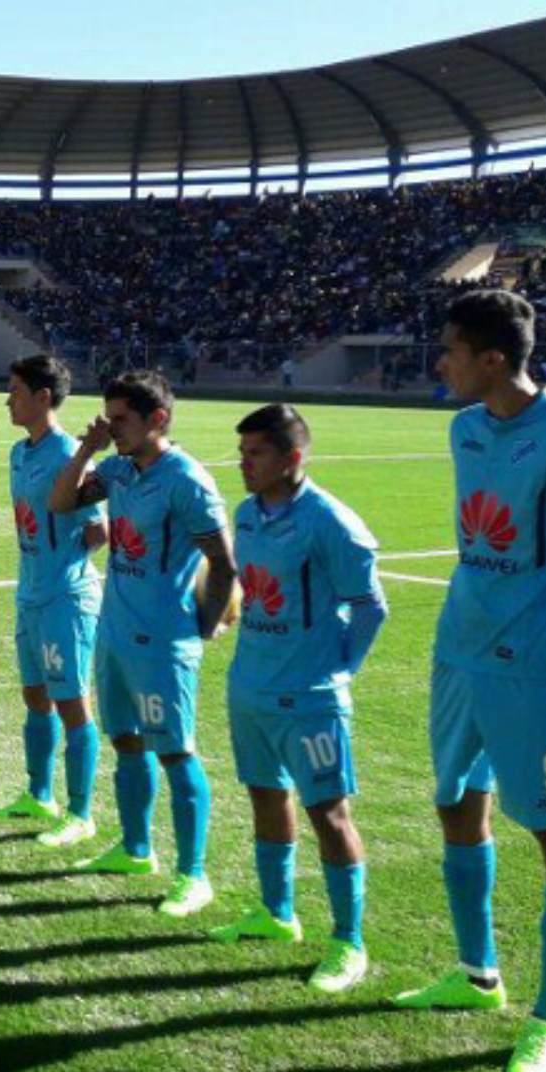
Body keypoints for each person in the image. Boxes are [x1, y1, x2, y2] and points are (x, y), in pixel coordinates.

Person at [390, 291, 546, 1072]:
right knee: (456, 802)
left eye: (451, 348)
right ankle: (476, 971)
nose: (440, 361)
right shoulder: (464, 428)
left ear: (494, 358)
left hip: (534, 669)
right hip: (460, 651)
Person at [203, 403, 386, 998]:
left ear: (293, 458)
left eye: (255, 454)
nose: (243, 465)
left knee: (328, 814)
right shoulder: (246, 515)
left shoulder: (329, 520)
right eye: (242, 453)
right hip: (250, 685)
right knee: (265, 796)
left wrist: (337, 671)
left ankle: (348, 940)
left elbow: (369, 606)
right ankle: (277, 913)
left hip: (310, 698)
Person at [49, 369, 236, 919]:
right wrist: (87, 447)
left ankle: (192, 874)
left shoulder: (187, 480)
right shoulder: (117, 470)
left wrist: (202, 628)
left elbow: (223, 563)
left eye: (122, 420)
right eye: (109, 418)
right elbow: (61, 502)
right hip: (114, 632)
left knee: (176, 751)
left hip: (163, 641)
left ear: (159, 419)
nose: (114, 428)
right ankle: (136, 848)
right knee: (126, 741)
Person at [0, 354, 108, 848]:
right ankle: (39, 794)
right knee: (35, 697)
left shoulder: (70, 454)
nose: (7, 400)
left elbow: (100, 529)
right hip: (30, 593)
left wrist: (64, 561)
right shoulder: (20, 453)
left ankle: (81, 812)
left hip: (66, 597)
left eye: (16, 391)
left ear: (44, 398)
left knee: (73, 704)